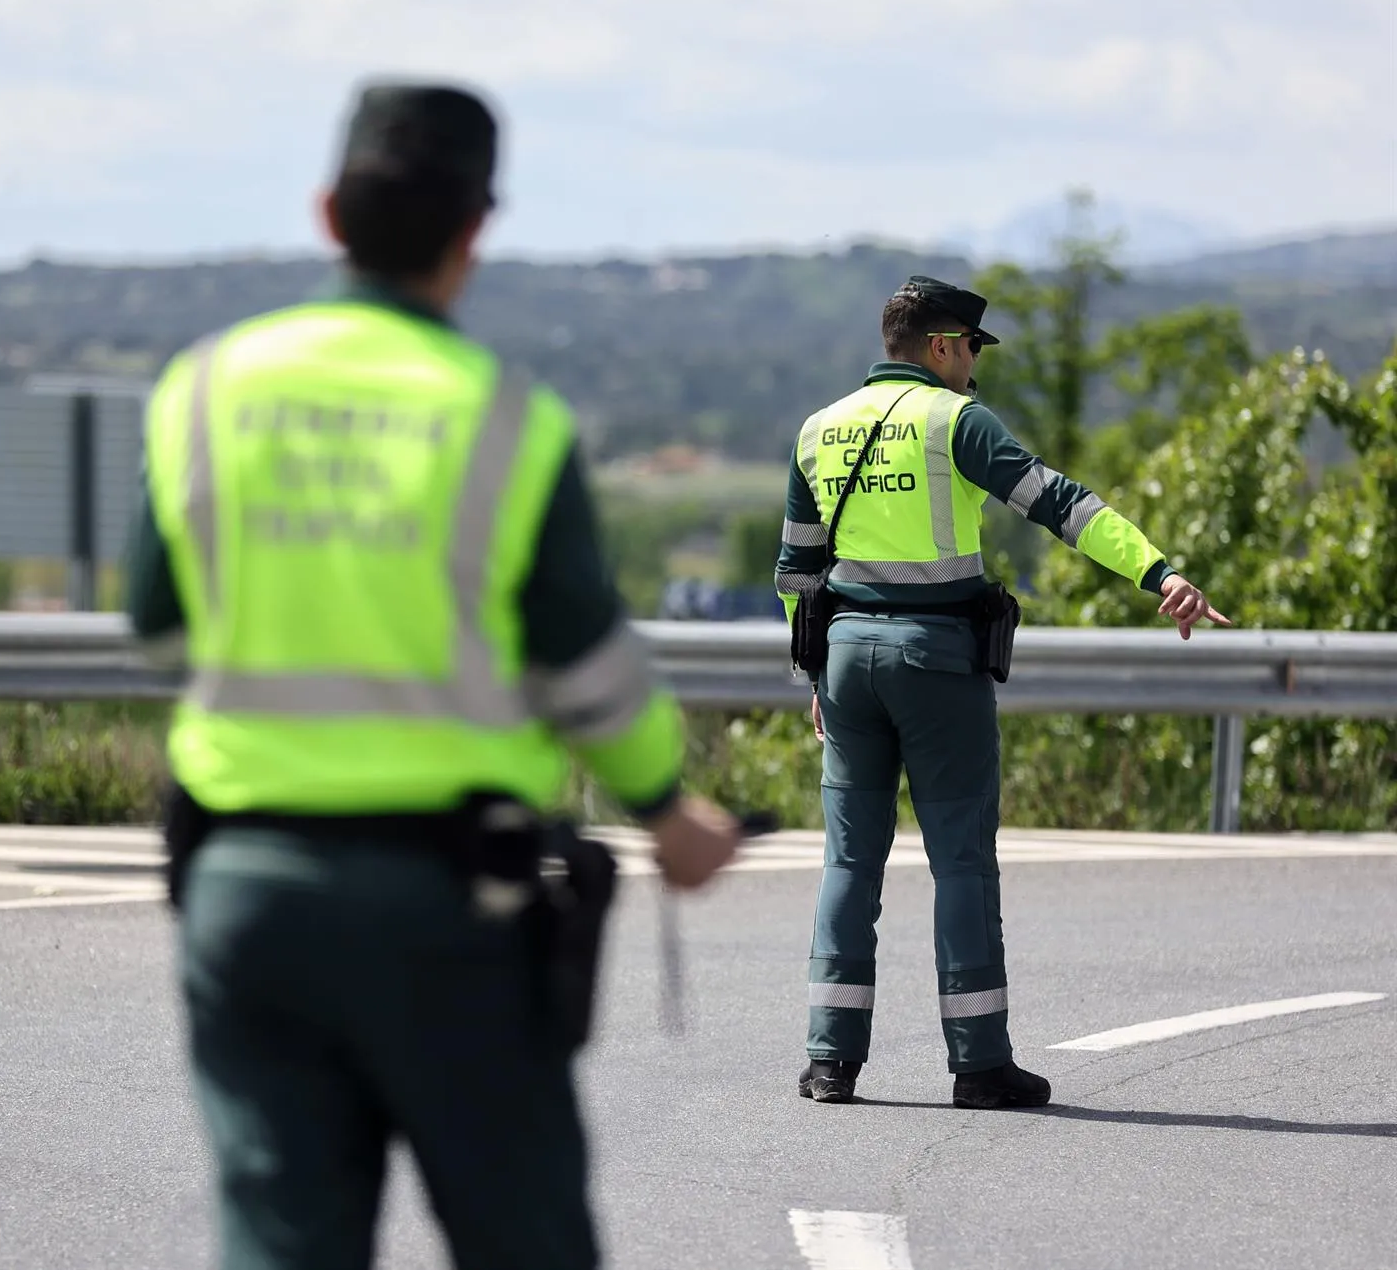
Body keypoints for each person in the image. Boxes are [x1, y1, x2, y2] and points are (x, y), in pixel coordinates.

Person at [126, 79, 742, 1270]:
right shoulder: (507, 419)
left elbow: (157, 629)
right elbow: (586, 664)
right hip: (454, 908)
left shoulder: (205, 388)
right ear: (475, 229)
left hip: (247, 891)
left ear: (326, 213)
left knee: (280, 1242)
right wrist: (668, 809)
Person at [773, 275, 1229, 1109]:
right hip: (936, 662)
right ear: (944, 344)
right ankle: (979, 1065)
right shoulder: (956, 422)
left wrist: (813, 678)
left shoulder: (818, 430)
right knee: (961, 867)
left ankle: (829, 1061)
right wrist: (1158, 572)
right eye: (972, 349)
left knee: (847, 861)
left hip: (844, 660)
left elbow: (796, 574)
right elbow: (1060, 504)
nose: (974, 367)